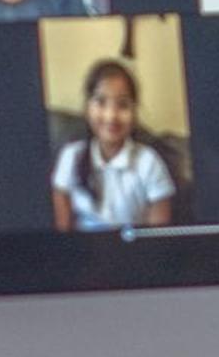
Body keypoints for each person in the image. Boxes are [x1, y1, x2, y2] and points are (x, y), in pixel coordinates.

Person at [51, 58, 177, 233]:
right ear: (87, 108)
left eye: (123, 105)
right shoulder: (71, 156)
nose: (111, 116)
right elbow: (62, 231)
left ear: (134, 111)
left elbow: (157, 239)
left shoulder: (149, 163)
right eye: (101, 102)